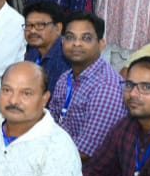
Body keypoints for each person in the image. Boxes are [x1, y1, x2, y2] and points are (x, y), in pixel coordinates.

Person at [47, 12, 126, 162]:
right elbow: (49, 124)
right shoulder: (65, 78)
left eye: (86, 38)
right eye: (70, 37)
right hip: (59, 155)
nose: (76, 43)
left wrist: (40, 155)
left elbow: (87, 152)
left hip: (88, 167)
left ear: (101, 44)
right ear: (62, 42)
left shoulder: (106, 86)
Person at [22, 0, 69, 99]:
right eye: (28, 25)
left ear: (58, 28)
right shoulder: (33, 51)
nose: (32, 30)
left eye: (40, 25)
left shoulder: (65, 58)